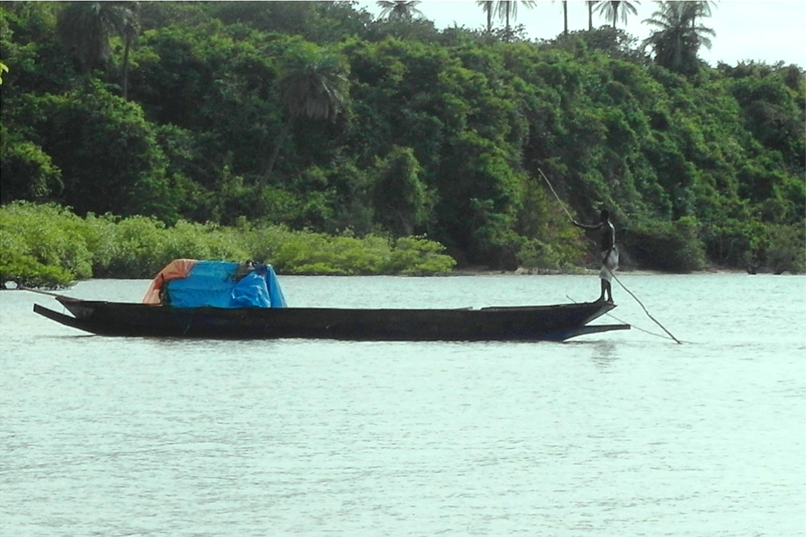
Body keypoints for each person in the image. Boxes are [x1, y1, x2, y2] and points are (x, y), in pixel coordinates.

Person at [573, 209, 618, 303]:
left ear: (604, 217)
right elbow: (591, 228)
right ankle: (608, 298)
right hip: (606, 253)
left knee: (604, 276)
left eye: (601, 216)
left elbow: (611, 243)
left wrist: (606, 257)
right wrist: (577, 225)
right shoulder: (602, 225)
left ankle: (604, 297)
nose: (599, 217)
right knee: (606, 277)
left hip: (611, 254)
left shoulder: (609, 227)